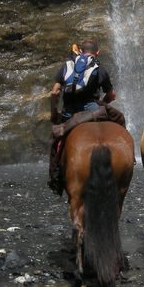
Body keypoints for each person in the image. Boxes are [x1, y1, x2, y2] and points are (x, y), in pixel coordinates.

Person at [48, 39, 117, 194]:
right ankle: (126, 161)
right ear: (97, 52)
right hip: (91, 109)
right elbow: (111, 95)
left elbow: (54, 92)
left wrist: (54, 113)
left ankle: (55, 175)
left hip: (69, 112)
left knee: (57, 141)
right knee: (118, 123)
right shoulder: (100, 68)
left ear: (80, 50)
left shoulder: (67, 66)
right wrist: (102, 104)